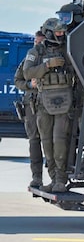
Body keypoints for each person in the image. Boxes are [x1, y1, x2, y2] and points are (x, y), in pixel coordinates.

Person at [23, 18, 73, 193]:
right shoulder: (36, 51)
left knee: (59, 141)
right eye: (58, 32)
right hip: (43, 102)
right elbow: (27, 73)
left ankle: (60, 179)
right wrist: (47, 65)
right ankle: (53, 178)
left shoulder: (67, 49)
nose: (61, 34)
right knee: (46, 142)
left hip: (64, 101)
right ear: (50, 32)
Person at [57, 2, 84, 168]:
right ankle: (70, 161)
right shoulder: (68, 37)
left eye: (66, 18)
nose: (64, 21)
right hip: (71, 90)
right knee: (68, 129)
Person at [13, 30, 45, 187]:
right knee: (34, 140)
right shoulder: (28, 60)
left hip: (49, 104)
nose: (37, 46)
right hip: (31, 104)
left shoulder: (50, 59)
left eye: (40, 43)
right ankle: (37, 177)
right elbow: (17, 80)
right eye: (35, 43)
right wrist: (28, 85)